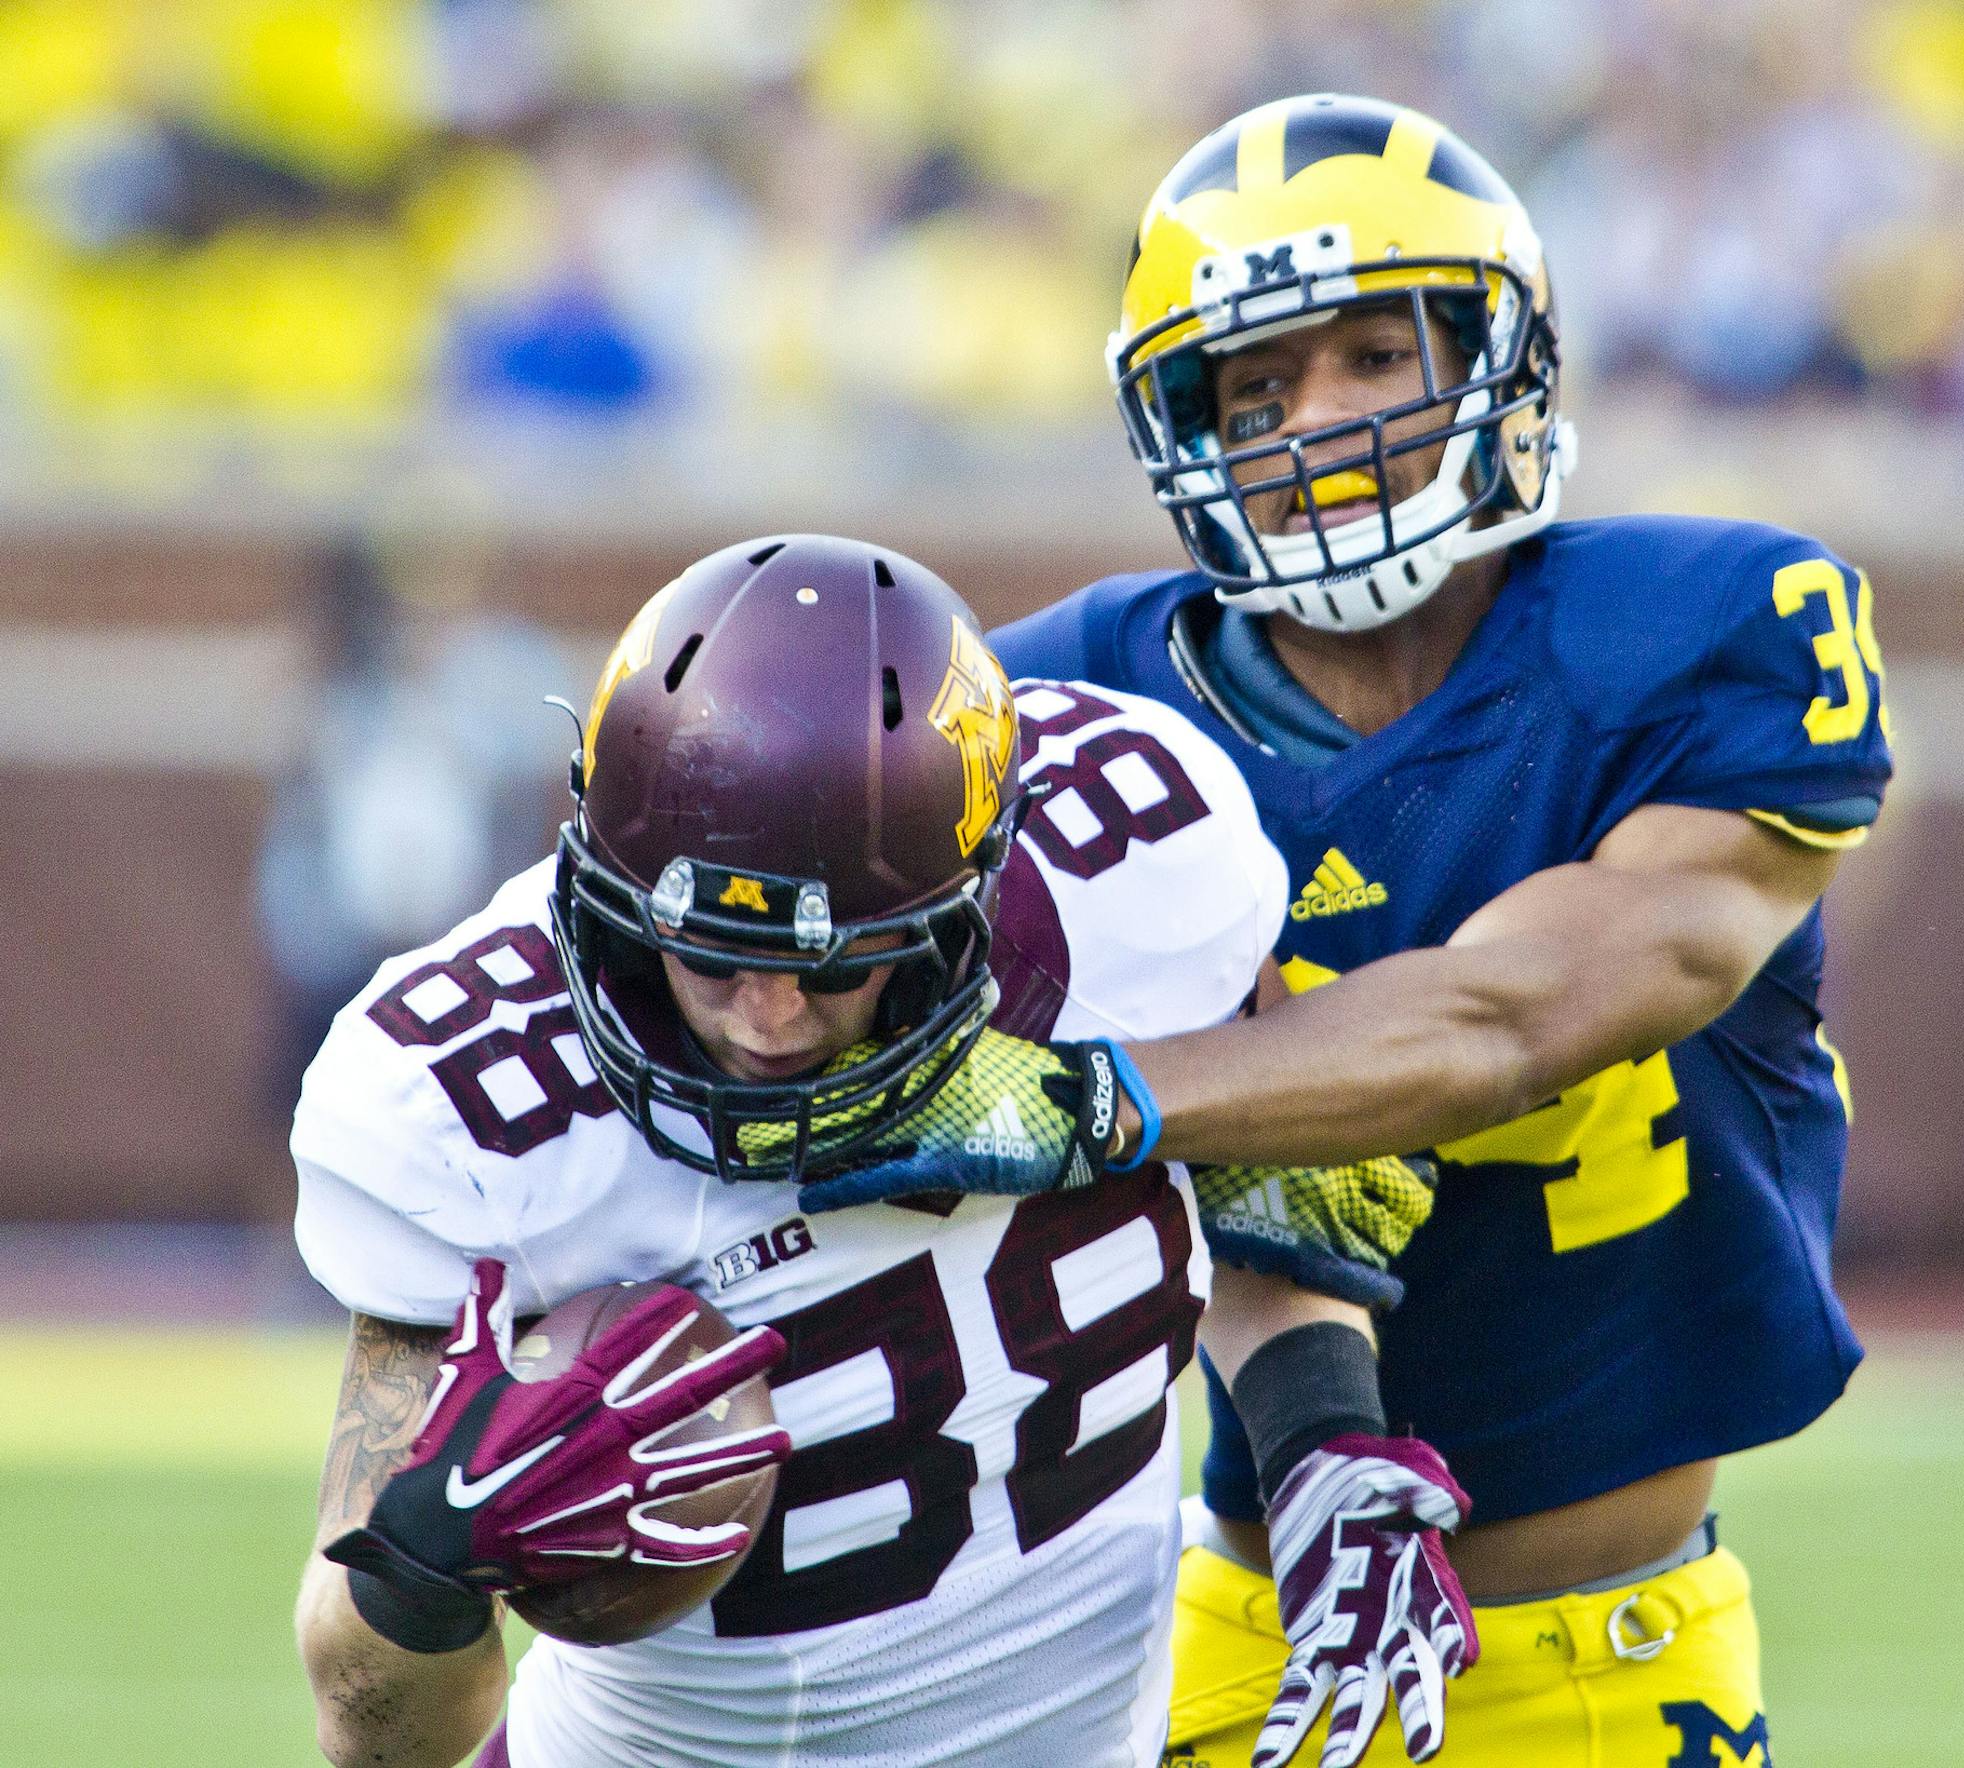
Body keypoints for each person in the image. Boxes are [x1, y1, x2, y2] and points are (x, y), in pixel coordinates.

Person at [836, 95, 1893, 1766]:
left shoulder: (1700, 631)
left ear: (1497, 355)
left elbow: (1503, 1021)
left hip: (1609, 1654)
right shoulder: (1067, 704)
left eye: (1370, 360)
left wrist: (1092, 1098)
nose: (1315, 424)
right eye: (1253, 387)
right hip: (1234, 1609)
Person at [290, 533, 1460, 1768]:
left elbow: (1257, 1165)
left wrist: (1321, 1436)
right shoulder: (470, 1104)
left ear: (977, 896)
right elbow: (370, 1734)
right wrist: (422, 1568)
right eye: (711, 956)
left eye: (835, 961)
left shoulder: (1129, 874)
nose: (767, 1017)